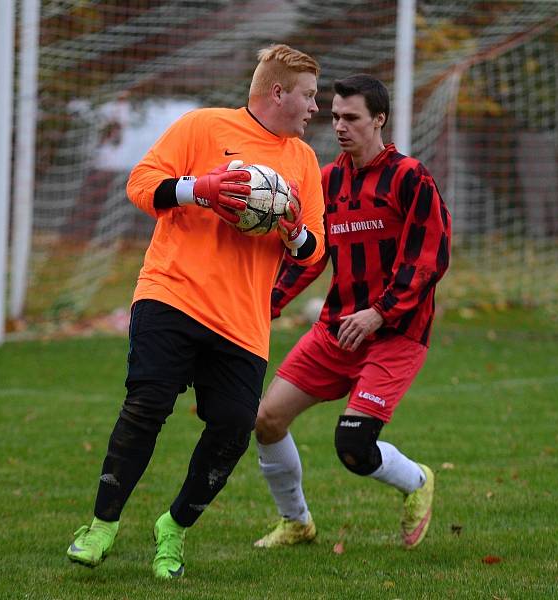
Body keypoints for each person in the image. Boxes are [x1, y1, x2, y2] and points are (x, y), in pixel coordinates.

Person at [66, 44, 325, 580]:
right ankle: (101, 525)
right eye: (310, 96)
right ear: (278, 93)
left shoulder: (302, 162)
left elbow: (315, 250)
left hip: (243, 321)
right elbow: (140, 184)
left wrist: (292, 231)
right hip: (172, 294)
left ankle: (174, 528)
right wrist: (198, 189)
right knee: (147, 405)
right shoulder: (203, 126)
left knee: (233, 428)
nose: (315, 108)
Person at [254, 74, 451, 550]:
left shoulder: (410, 177)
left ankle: (418, 482)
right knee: (266, 420)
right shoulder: (328, 181)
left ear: (379, 119)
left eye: (352, 117)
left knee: (354, 446)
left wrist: (380, 313)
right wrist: (266, 305)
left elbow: (429, 257)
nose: (339, 126)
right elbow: (311, 254)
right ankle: (296, 522)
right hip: (337, 330)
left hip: (396, 334)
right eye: (335, 116)